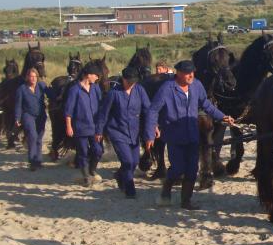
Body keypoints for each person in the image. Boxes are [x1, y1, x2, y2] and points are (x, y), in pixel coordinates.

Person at [145, 59, 234, 209]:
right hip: (174, 135)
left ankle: (186, 201)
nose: (190, 75)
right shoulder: (167, 88)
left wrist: (222, 116)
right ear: (178, 73)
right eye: (187, 73)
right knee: (178, 168)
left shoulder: (197, 85)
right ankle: (166, 188)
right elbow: (153, 110)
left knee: (192, 170)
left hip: (192, 134)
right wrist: (149, 134)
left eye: (192, 72)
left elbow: (205, 104)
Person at [95, 66, 151, 198]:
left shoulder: (140, 90)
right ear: (123, 80)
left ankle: (120, 175)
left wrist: (154, 126)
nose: (131, 83)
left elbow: (148, 110)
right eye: (129, 81)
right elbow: (103, 114)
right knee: (127, 161)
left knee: (135, 161)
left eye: (134, 81)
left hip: (134, 132)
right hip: (117, 131)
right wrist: (99, 131)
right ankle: (130, 191)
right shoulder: (113, 93)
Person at [64, 62, 103, 186]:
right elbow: (68, 110)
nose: (97, 78)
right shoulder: (74, 90)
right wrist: (69, 126)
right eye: (96, 75)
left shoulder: (96, 88)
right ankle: (86, 176)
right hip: (80, 127)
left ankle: (92, 169)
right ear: (88, 75)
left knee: (98, 150)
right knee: (82, 152)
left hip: (94, 126)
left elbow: (101, 105)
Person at [15, 67, 52, 171]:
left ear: (37, 77)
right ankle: (32, 160)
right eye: (31, 76)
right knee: (33, 136)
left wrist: (56, 93)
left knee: (39, 138)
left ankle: (38, 160)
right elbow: (18, 105)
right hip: (28, 115)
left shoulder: (41, 86)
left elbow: (50, 94)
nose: (33, 78)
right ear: (27, 77)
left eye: (35, 76)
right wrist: (17, 118)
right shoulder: (22, 89)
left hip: (41, 115)